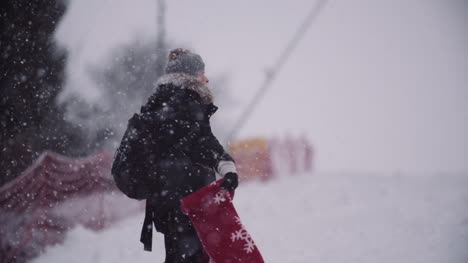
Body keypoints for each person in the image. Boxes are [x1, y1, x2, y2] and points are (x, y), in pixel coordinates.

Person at [139, 48, 239, 263]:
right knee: (192, 257)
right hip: (188, 197)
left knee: (179, 256)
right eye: (202, 72)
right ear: (190, 75)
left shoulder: (160, 101)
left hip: (166, 196)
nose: (206, 78)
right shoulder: (186, 100)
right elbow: (200, 142)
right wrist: (227, 168)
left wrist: (225, 166)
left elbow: (194, 141)